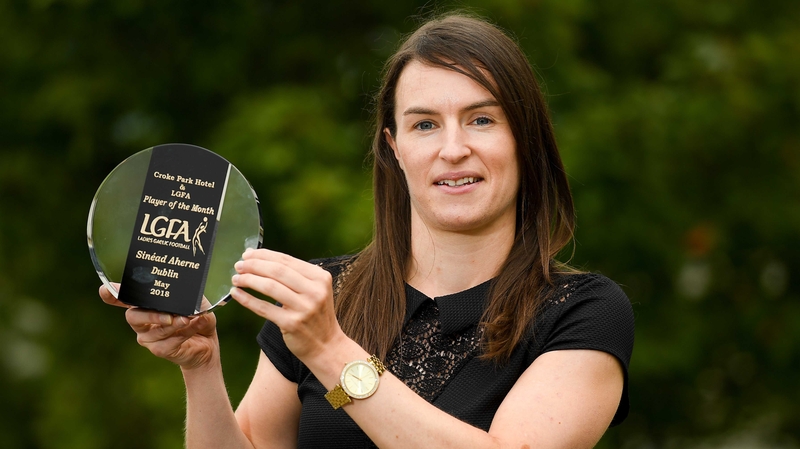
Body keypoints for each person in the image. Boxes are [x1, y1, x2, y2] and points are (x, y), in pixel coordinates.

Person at [101, 13, 634, 448]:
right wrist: (202, 368)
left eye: (481, 119)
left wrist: (330, 350)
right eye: (424, 124)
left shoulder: (581, 313)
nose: (452, 149)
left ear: (526, 140)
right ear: (394, 148)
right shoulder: (328, 292)